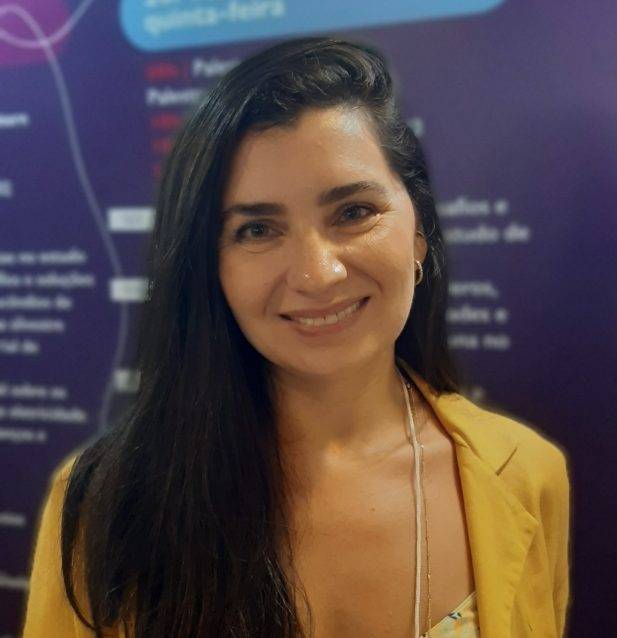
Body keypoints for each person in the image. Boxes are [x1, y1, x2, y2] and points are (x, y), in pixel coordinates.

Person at [22, 36, 571, 638]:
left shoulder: (526, 474)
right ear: (210, 266)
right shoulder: (104, 503)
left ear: (419, 232)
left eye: (354, 212)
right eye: (257, 229)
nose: (318, 273)